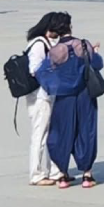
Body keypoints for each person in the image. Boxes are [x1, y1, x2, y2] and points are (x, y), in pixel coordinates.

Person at [34, 14, 104, 189]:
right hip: (85, 94)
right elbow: (98, 64)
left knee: (61, 132)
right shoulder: (83, 45)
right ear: (70, 27)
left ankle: (63, 174)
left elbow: (42, 72)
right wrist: (94, 53)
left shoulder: (55, 51)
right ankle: (87, 174)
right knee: (86, 130)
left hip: (64, 96)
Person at [24, 12, 63, 187]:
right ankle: (37, 173)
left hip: (46, 94)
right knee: (39, 134)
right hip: (40, 96)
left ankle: (52, 170)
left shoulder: (44, 42)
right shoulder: (39, 45)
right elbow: (34, 69)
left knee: (49, 134)